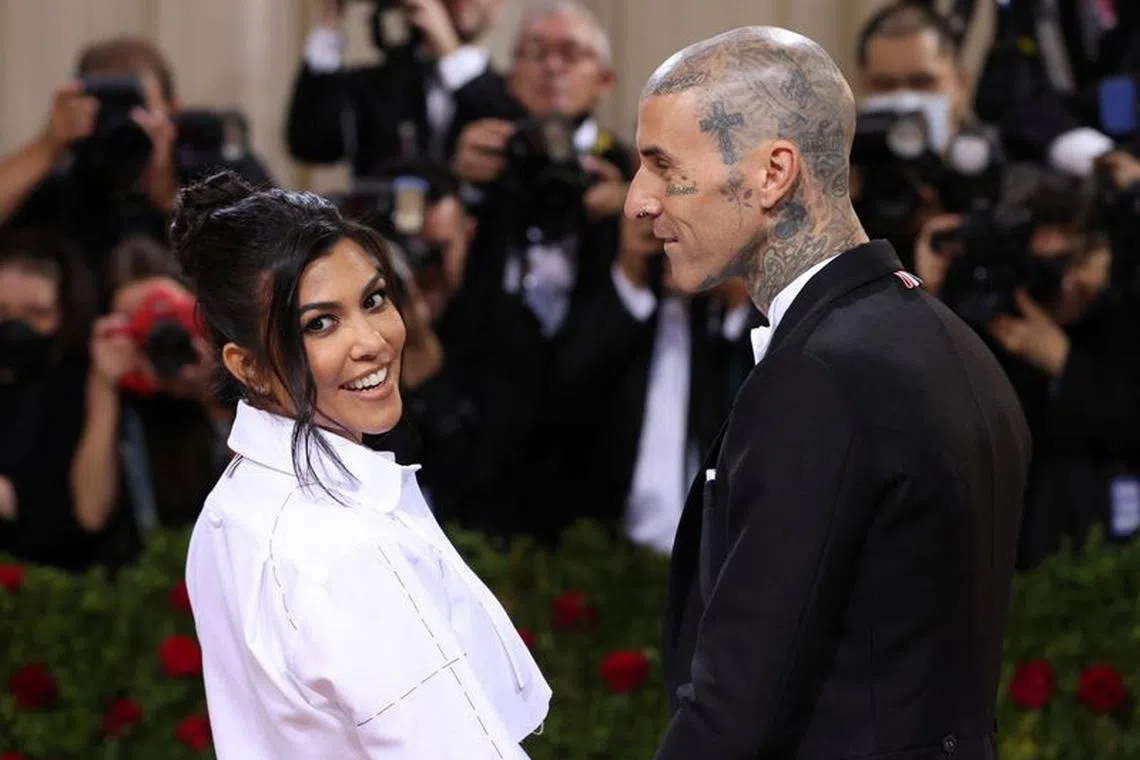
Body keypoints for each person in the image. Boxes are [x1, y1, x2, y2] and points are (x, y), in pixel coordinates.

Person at [625, 27, 1032, 759]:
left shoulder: (820, 377)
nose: (638, 202)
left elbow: (738, 704)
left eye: (663, 167)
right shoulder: (947, 340)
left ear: (774, 172)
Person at [178, 171, 549, 757]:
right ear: (246, 367)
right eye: (320, 323)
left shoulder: (230, 508)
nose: (372, 340)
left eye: (374, 300)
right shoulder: (347, 549)